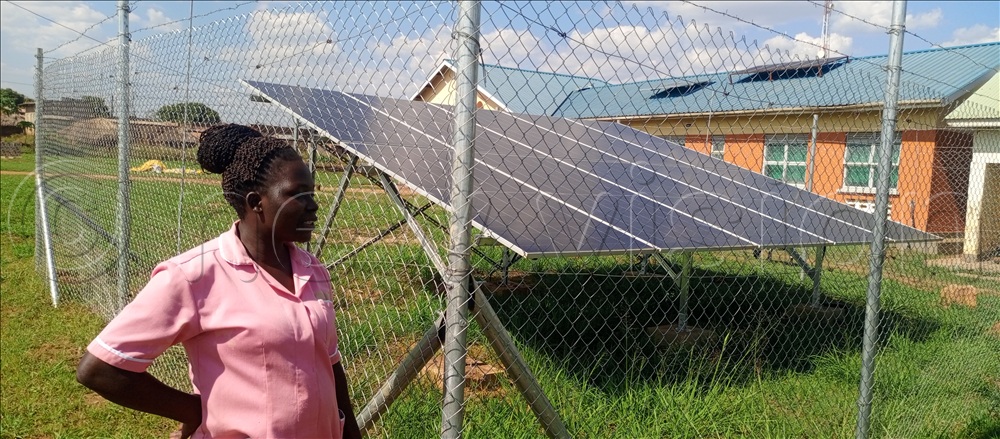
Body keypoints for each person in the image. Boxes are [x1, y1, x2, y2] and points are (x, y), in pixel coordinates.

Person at [76, 124, 362, 439]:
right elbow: (100, 369)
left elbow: (330, 364)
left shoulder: (312, 269)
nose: (313, 205)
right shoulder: (193, 275)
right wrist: (196, 410)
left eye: (313, 193)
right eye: (297, 194)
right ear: (256, 202)